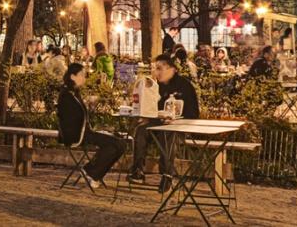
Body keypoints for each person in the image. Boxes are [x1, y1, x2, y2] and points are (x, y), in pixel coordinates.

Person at [125, 56, 201, 186]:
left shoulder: (185, 86)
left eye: (159, 68)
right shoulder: (154, 86)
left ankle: (167, 175)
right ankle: (137, 170)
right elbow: (150, 108)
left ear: (172, 69)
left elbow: (194, 113)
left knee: (168, 134)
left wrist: (176, 118)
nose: (156, 72)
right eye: (154, 69)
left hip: (179, 126)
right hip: (158, 123)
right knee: (141, 129)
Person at [57, 62, 126, 189]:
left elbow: (80, 115)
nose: (84, 78)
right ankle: (92, 172)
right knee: (117, 144)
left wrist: (89, 107)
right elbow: (71, 118)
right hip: (77, 134)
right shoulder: (67, 94)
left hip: (85, 131)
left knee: (119, 144)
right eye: (82, 75)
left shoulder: (73, 92)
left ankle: (92, 171)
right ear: (73, 76)